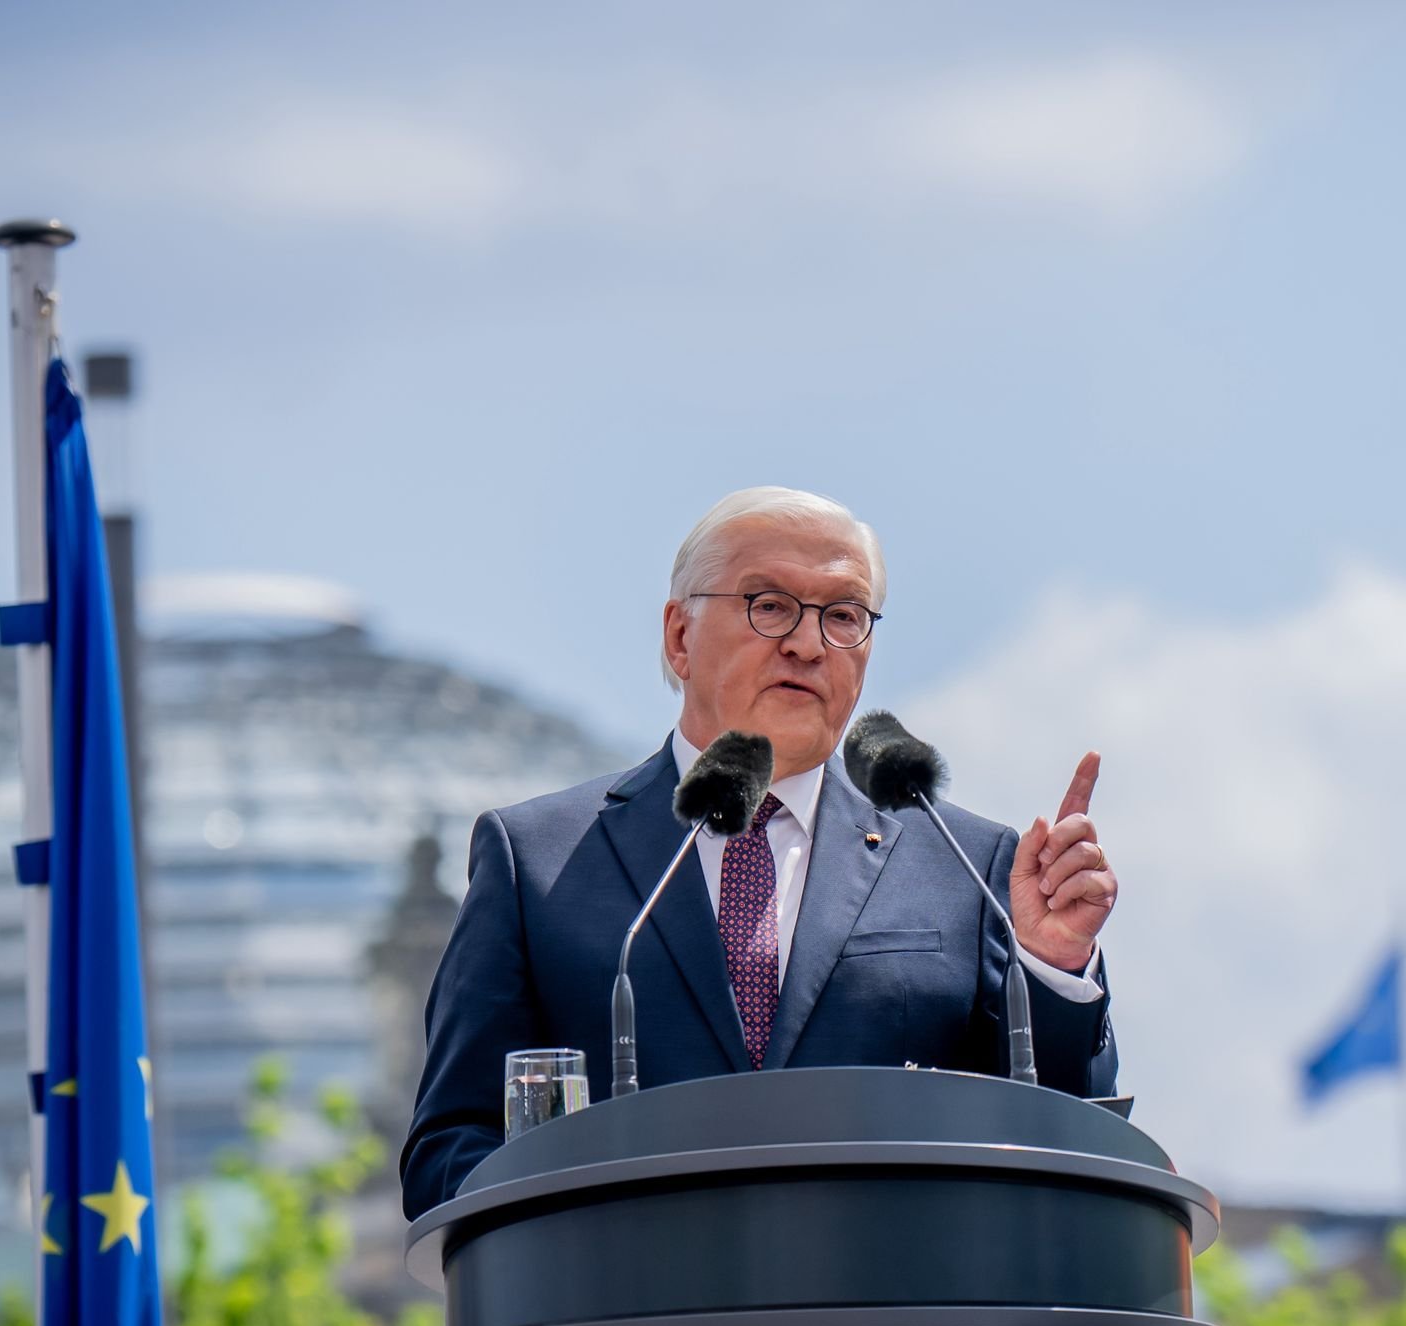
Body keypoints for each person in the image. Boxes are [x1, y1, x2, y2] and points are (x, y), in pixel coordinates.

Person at [400, 487, 1120, 1218]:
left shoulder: (970, 864)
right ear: (680, 636)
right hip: (626, 1316)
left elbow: (1060, 1135)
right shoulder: (536, 860)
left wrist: (1052, 968)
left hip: (900, 1322)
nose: (808, 643)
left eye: (842, 615)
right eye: (770, 604)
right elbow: (450, 1151)